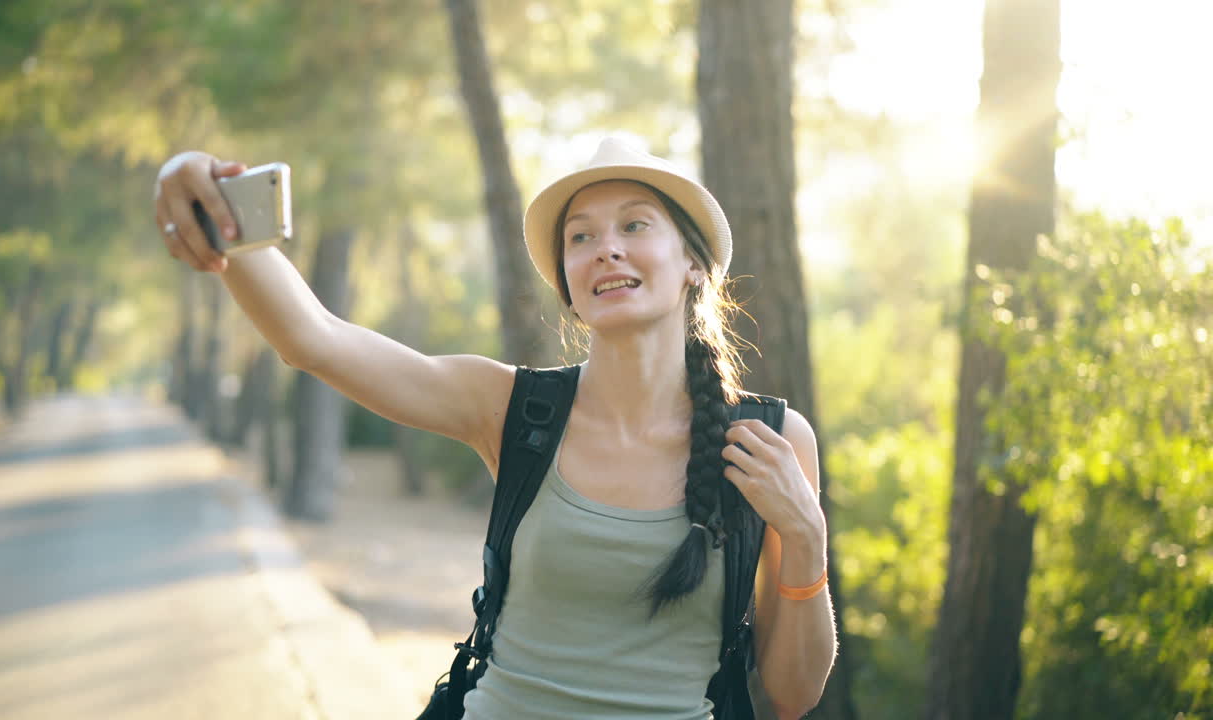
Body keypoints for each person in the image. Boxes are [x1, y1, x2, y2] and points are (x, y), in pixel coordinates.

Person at [153, 138, 836, 719]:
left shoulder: (771, 441)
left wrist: (806, 537)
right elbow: (316, 339)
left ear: (693, 264)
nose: (607, 250)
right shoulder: (511, 408)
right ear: (568, 283)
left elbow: (791, 695)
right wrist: (208, 197)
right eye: (582, 237)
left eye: (634, 226)